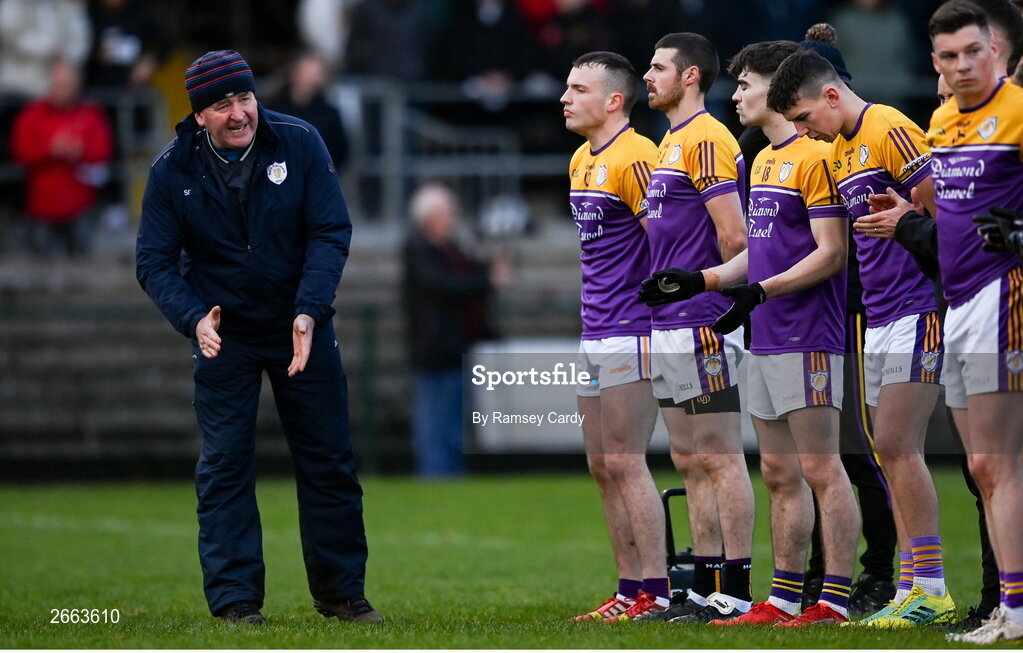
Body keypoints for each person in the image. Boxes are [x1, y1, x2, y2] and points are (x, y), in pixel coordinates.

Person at [135, 50, 381, 625]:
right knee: (224, 465)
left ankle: (342, 595)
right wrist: (193, 317)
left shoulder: (300, 142)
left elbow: (330, 230)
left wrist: (310, 311)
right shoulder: (170, 170)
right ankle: (235, 602)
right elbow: (153, 262)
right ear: (200, 116)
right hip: (224, 334)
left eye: (244, 98)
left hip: (302, 326)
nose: (239, 113)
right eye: (222, 105)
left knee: (329, 461)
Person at [645, 38, 857, 627]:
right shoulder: (762, 159)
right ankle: (784, 597)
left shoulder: (816, 155)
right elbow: (755, 256)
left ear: (778, 89)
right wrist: (702, 281)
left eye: (746, 85)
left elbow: (832, 253)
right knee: (778, 472)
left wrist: (760, 291)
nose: (735, 95)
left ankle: (833, 600)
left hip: (807, 331)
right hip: (763, 331)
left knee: (822, 468)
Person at [768, 44, 957, 628]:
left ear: (830, 95)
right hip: (878, 313)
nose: (803, 130)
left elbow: (943, 216)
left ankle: (930, 586)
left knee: (898, 445)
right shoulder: (843, 146)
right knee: (890, 451)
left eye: (804, 118)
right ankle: (912, 586)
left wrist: (910, 218)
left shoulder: (888, 126)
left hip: (916, 306)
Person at [637, 32, 757, 624]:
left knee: (719, 456)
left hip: (701, 320)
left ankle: (734, 588)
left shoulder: (707, 137)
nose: (647, 77)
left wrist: (712, 296)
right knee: (688, 459)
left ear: (690, 77)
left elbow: (736, 236)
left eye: (658, 68)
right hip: (669, 322)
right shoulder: (671, 141)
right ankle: (701, 585)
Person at [925, 2, 1023, 643]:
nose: (962, 66)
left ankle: (1015, 610)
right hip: (957, 305)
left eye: (972, 52)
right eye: (948, 57)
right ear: (934, 63)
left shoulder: (1018, 112)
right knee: (981, 467)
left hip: (1002, 297)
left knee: (996, 461)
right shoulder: (939, 121)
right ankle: (1008, 606)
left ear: (995, 52)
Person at [559, 51, 666, 621]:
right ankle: (627, 589)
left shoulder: (639, 156)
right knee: (602, 464)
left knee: (627, 461)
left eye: (578, 89)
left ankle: (656, 590)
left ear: (614, 100)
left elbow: (664, 243)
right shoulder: (580, 158)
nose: (565, 97)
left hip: (632, 329)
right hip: (593, 328)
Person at [402, 182, 504, 478]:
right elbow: (444, 286)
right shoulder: (420, 249)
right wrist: (487, 281)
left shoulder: (447, 248)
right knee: (436, 421)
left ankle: (448, 474)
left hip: (454, 346)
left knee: (451, 421)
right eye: (449, 213)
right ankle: (436, 475)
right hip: (435, 349)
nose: (454, 219)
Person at [10, 58, 113, 258]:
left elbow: (103, 151)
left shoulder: (90, 114)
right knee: (41, 267)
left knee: (81, 265)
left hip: (81, 207)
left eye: (66, 85)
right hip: (40, 208)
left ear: (77, 86)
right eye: (57, 85)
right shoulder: (32, 114)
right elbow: (20, 152)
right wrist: (50, 149)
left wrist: (79, 149)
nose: (62, 90)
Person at [266, 52, 350, 175]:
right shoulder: (275, 108)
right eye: (308, 73)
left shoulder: (329, 113)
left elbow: (341, 149)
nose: (312, 79)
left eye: (316, 74)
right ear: (295, 74)